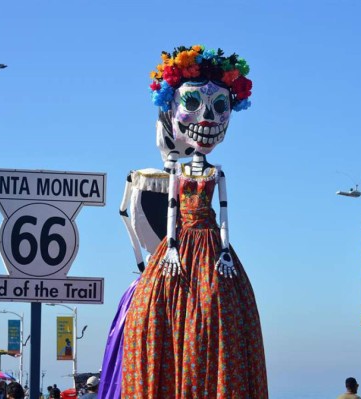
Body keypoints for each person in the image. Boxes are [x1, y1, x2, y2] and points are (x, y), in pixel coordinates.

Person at [121, 45, 267, 398]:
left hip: (211, 243)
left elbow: (225, 210)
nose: (207, 119)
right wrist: (170, 246)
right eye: (192, 105)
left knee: (217, 310)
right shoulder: (175, 172)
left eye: (220, 108)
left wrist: (225, 248)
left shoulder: (217, 172)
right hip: (181, 244)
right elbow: (172, 208)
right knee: (152, 310)